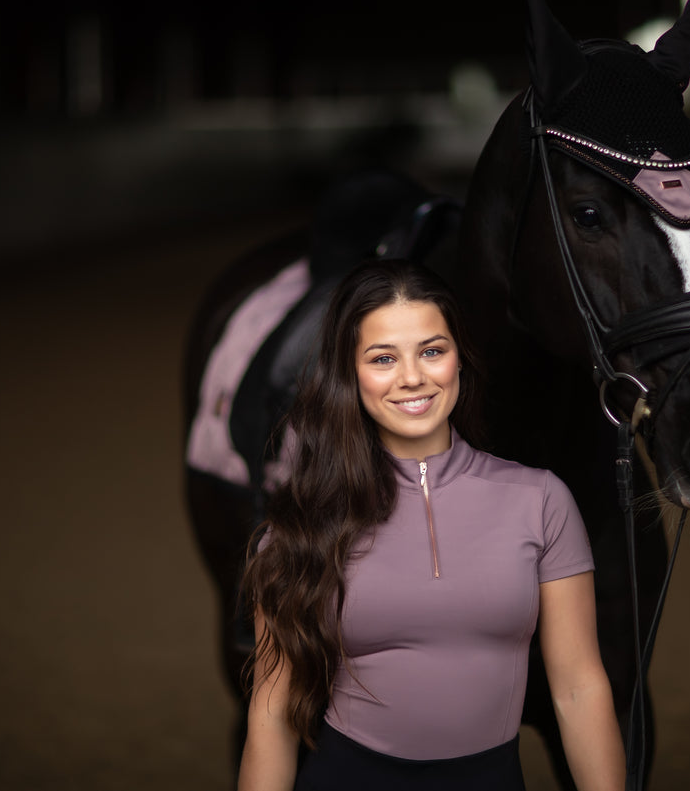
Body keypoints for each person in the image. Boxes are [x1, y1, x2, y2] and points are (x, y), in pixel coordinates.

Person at [236, 259, 624, 791]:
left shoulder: (540, 500)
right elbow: (271, 715)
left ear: (459, 359)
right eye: (383, 358)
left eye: (432, 351)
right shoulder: (302, 525)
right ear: (349, 373)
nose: (412, 377)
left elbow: (579, 687)